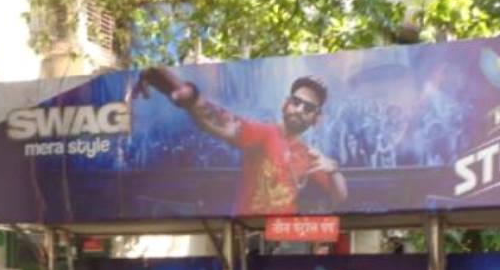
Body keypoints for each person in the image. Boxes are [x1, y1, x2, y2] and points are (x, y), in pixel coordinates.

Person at [136, 67, 348, 216]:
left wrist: (334, 169)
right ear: (286, 104)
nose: (300, 109)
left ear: (316, 119)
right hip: (249, 238)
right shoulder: (264, 134)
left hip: (286, 238)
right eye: (296, 102)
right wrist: (188, 95)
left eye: (309, 108)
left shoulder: (310, 155)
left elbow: (341, 198)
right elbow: (220, 121)